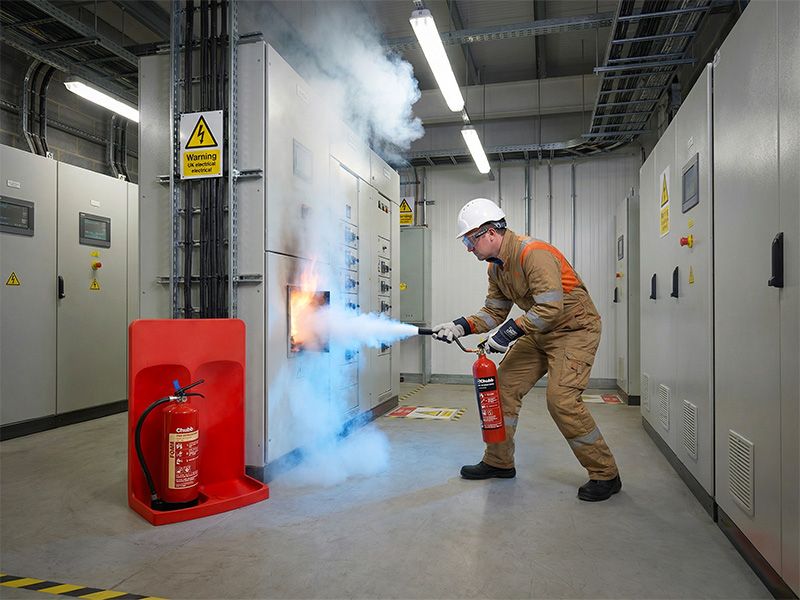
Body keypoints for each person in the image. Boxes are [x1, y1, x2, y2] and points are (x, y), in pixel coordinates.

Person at [433, 197, 621, 502]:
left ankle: (605, 474)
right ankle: (499, 462)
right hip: (540, 330)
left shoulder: (533, 254)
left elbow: (550, 307)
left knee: (561, 401)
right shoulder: (496, 268)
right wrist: (459, 326)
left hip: (574, 330)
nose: (468, 248)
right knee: (502, 388)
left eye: (470, 240)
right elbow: (494, 311)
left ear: (489, 233)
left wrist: (507, 334)